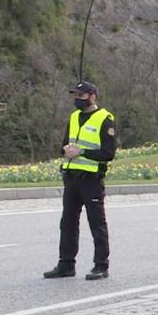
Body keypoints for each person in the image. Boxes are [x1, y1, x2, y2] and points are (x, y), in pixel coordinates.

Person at [44, 81, 116, 280]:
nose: (78, 99)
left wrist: (82, 152)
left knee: (96, 223)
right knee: (67, 222)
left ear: (92, 96)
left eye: (82, 96)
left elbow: (108, 153)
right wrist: (65, 150)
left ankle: (101, 265)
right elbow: (65, 144)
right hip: (71, 176)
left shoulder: (105, 119)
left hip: (91, 179)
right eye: (76, 95)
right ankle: (66, 264)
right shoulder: (74, 117)